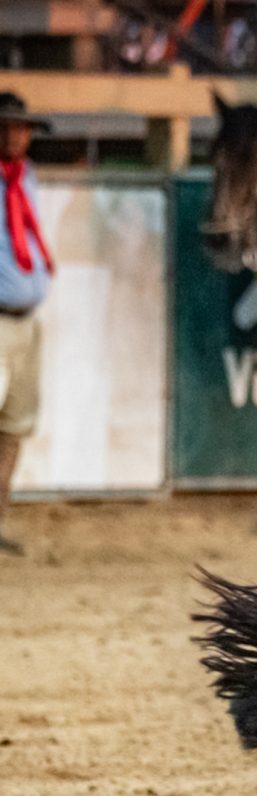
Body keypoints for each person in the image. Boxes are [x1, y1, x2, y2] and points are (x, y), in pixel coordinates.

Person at [0, 93, 53, 557]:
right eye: (8, 127)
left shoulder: (25, 177)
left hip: (26, 320)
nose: (16, 135)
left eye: (22, 127)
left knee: (15, 426)